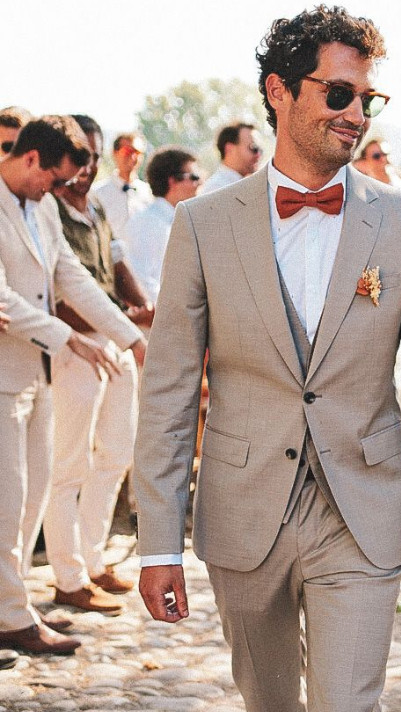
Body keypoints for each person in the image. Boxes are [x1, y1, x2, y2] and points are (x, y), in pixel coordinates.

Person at [132, 7, 401, 712]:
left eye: (368, 100)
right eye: (339, 94)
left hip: (360, 508)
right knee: (267, 703)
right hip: (243, 510)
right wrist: (157, 544)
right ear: (279, 90)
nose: (357, 115)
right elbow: (170, 389)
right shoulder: (203, 225)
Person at [0, 116, 146, 655]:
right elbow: (3, 298)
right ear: (31, 158)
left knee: (32, 498)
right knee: (8, 501)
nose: (57, 190)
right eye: (55, 179)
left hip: (36, 374)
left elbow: (73, 277)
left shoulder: (41, 208)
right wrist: (70, 338)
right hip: (6, 374)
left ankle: (14, 606)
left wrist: (130, 338)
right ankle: (12, 617)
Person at [45, 115, 153, 616]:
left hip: (113, 338)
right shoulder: (49, 209)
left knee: (115, 453)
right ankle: (67, 576)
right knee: (69, 463)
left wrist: (142, 307)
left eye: (92, 156)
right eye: (78, 156)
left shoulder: (97, 209)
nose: (85, 167)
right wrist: (126, 321)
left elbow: (119, 264)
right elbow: (59, 294)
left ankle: (92, 560)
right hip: (74, 346)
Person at [126, 147, 200, 304]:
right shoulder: (147, 223)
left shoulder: (175, 220)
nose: (199, 183)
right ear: (172, 181)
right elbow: (142, 279)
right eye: (194, 177)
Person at [92, 133, 152, 249]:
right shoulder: (97, 193)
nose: (133, 157)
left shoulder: (149, 193)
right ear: (115, 153)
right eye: (127, 151)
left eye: (137, 153)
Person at [200, 122, 263, 194]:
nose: (258, 155)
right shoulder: (216, 189)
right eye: (254, 148)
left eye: (260, 150)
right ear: (229, 149)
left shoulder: (247, 184)